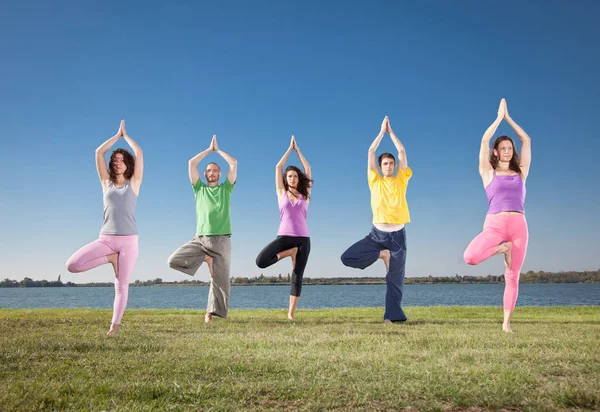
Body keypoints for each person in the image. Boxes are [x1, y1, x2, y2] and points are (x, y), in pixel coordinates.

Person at [66, 120, 143, 336]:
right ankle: (111, 258)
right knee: (73, 265)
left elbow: (139, 152)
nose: (118, 163)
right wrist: (116, 136)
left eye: (122, 160)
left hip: (129, 240)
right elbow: (99, 152)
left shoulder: (134, 183)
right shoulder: (105, 182)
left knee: (121, 285)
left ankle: (114, 327)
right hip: (106, 239)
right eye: (115, 160)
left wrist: (125, 136)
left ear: (128, 163)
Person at [463, 98, 531, 333]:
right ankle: (504, 249)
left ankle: (506, 324)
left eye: (509, 149)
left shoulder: (521, 171)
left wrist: (509, 118)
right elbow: (483, 140)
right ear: (496, 151)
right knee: (470, 257)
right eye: (503, 148)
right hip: (495, 225)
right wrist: (498, 118)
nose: (507, 151)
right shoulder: (487, 172)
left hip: (519, 225)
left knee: (512, 276)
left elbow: (527, 140)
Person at [341, 116, 412, 323]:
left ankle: (392, 316)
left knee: (395, 279)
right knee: (348, 257)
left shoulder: (401, 178)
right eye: (385, 164)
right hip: (376, 235)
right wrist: (382, 132)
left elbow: (402, 152)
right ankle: (382, 254)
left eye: (391, 164)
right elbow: (371, 152)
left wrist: (392, 134)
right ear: (380, 167)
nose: (389, 166)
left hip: (398, 236)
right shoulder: (374, 180)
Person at [168, 135, 237, 323]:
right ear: (205, 174)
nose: (212, 173)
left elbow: (234, 164)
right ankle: (205, 258)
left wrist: (219, 150)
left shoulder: (226, 189)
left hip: (222, 240)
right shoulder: (199, 189)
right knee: (173, 260)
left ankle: (210, 313)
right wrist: (209, 149)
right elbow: (191, 163)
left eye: (215, 170)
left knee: (221, 282)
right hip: (200, 240)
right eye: (209, 170)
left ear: (219, 174)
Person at [255, 136, 312, 320]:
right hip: (284, 237)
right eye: (290, 176)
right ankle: (290, 253)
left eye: (295, 176)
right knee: (261, 261)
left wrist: (299, 151)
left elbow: (308, 169)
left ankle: (290, 314)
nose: (293, 178)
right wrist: (290, 149)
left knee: (297, 276)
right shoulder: (281, 193)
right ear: (285, 179)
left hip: (303, 239)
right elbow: (278, 167)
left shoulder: (305, 194)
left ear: (299, 178)